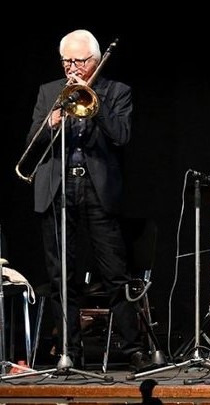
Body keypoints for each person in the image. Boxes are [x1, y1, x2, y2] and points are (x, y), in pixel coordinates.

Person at [24, 29, 147, 370]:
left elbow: (121, 136)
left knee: (114, 273)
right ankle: (68, 350)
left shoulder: (116, 92)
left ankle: (133, 347)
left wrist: (93, 100)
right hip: (57, 191)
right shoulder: (49, 92)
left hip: (98, 191)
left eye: (78, 60)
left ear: (94, 61)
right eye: (66, 61)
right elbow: (32, 146)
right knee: (61, 275)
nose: (72, 68)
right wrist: (50, 123)